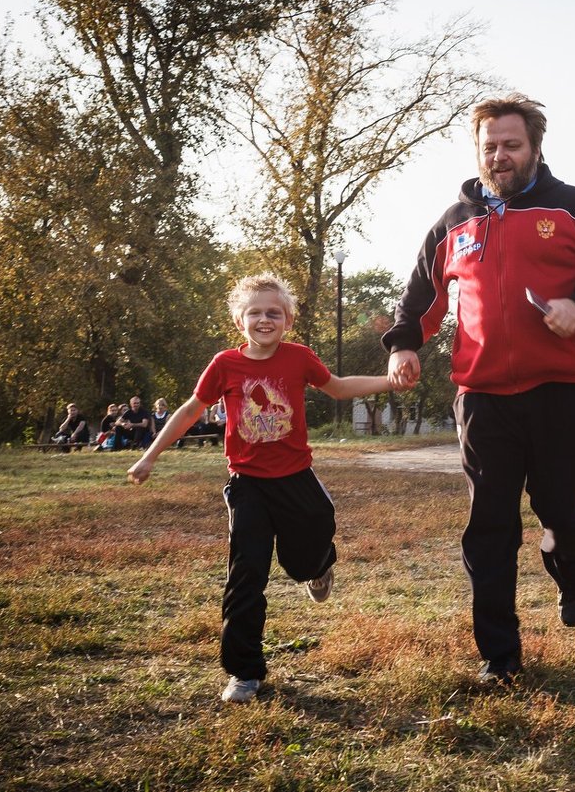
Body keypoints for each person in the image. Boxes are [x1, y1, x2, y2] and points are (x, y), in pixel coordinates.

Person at [382, 93, 575, 686]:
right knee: (490, 523)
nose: (499, 156)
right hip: (482, 397)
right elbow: (421, 296)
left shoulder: (573, 207)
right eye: (489, 146)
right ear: (478, 151)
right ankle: (500, 657)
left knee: (558, 510)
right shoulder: (454, 222)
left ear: (534, 148)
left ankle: (570, 570)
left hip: (562, 391)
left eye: (511, 145)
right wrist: (403, 344)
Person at [127, 273, 409, 704]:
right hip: (248, 485)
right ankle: (244, 672)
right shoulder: (225, 364)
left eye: (273, 312)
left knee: (303, 557)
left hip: (297, 480)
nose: (264, 319)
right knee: (246, 576)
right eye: (255, 312)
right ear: (239, 319)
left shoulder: (299, 358)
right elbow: (189, 411)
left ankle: (318, 568)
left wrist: (389, 382)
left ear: (288, 320)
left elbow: (336, 388)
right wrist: (150, 456)